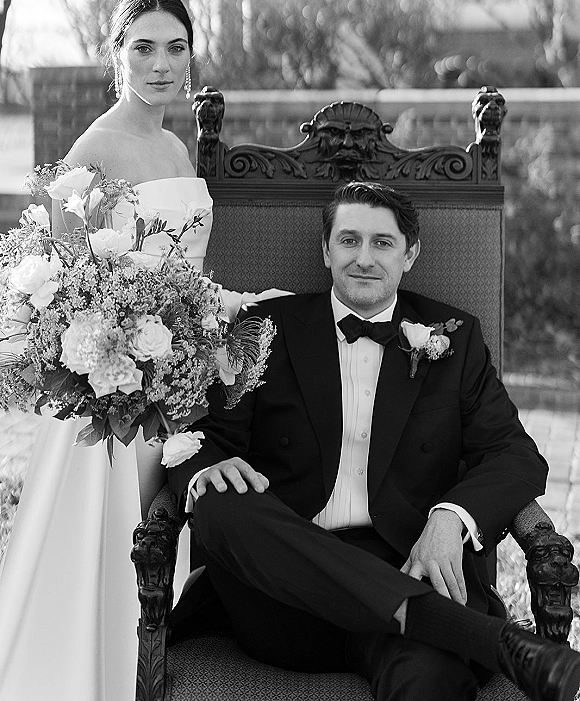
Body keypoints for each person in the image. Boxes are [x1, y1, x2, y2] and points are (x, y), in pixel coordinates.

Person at [167, 181, 580, 701]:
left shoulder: (454, 339)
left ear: (411, 255)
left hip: (409, 568)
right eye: (349, 240)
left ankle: (442, 624)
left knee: (428, 679)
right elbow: (207, 436)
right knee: (219, 502)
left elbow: (516, 455)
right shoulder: (264, 328)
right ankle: (493, 641)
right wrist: (202, 467)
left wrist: (451, 516)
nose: (364, 258)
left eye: (382, 243)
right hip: (285, 596)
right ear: (326, 250)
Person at [0, 0, 285, 701]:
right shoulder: (93, 149)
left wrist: (231, 313)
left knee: (158, 545)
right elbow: (66, 296)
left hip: (174, 387)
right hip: (113, 398)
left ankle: (150, 677)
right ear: (117, 53)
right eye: (144, 48)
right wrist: (125, 362)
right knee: (113, 542)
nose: (162, 64)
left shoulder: (173, 144)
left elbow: (183, 274)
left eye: (177, 47)